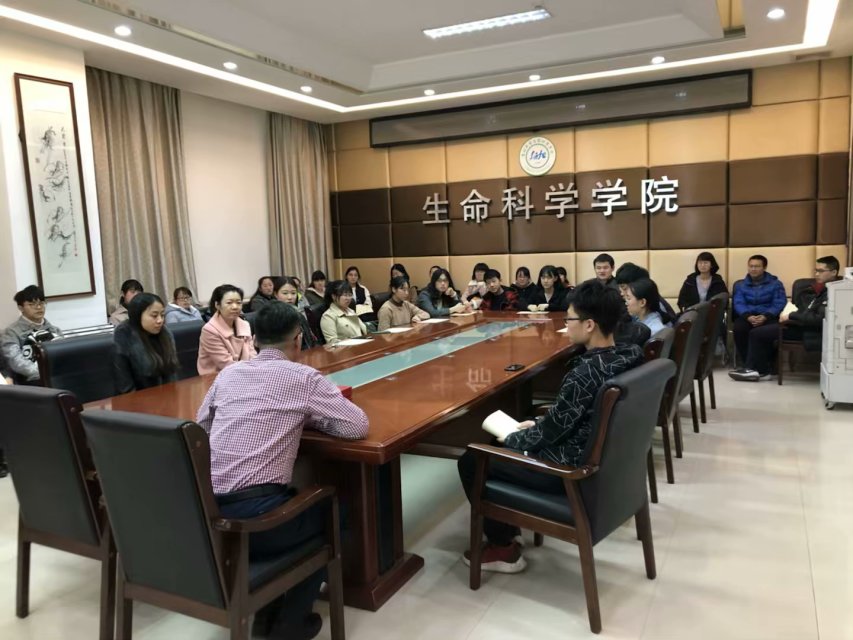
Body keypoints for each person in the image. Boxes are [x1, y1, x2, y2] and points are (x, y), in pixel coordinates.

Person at [196, 302, 368, 640]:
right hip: (259, 522)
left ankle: (267, 610)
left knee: (295, 502)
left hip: (208, 517)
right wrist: (309, 417)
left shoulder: (228, 374)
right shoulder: (302, 377)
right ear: (298, 339)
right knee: (335, 513)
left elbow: (201, 429)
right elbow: (357, 426)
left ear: (255, 340)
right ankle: (291, 623)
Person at [457, 280, 644, 573]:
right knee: (499, 446)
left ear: (590, 325)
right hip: (606, 464)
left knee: (473, 459)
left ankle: (503, 549)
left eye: (570, 319)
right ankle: (508, 528)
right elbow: (572, 417)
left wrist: (513, 437)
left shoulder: (584, 374)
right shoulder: (629, 356)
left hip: (568, 470)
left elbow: (550, 434)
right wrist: (539, 422)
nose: (566, 325)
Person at [730, 256, 840, 382]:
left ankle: (758, 370)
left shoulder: (835, 292)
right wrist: (748, 315)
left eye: (820, 271)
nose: (816, 274)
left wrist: (787, 315)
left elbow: (817, 318)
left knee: (758, 333)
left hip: (806, 328)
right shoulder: (816, 289)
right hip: (796, 322)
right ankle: (753, 368)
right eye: (816, 270)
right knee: (744, 328)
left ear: (833, 272)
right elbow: (738, 303)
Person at [729, 254, 787, 372]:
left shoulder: (775, 284)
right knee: (739, 328)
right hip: (747, 316)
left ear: (764, 268)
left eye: (757, 266)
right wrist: (748, 316)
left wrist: (766, 316)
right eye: (751, 266)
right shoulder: (740, 285)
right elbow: (738, 303)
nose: (753, 269)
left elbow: (779, 302)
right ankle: (747, 364)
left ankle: (766, 364)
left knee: (766, 332)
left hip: (768, 316)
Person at [113, 293, 179, 394]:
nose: (160, 320)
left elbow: (172, 375)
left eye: (162, 315)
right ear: (138, 315)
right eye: (154, 316)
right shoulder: (124, 336)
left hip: (166, 397)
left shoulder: (165, 333)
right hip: (135, 400)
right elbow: (125, 387)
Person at [1, 285, 63, 383]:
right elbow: (16, 361)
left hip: (60, 376)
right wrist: (45, 373)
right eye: (32, 304)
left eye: (41, 303)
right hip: (32, 381)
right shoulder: (11, 333)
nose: (39, 307)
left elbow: (65, 354)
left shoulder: (55, 330)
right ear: (21, 308)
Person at [198, 284, 256, 375]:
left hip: (244, 374)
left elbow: (252, 354)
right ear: (217, 305)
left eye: (238, 303)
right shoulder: (209, 330)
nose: (235, 307)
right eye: (229, 303)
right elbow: (225, 364)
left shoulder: (245, 324)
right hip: (216, 377)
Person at [273, 277, 317, 350]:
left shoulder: (298, 315)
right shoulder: (271, 318)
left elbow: (310, 341)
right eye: (285, 293)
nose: (290, 297)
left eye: (293, 293)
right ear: (275, 294)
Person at [320, 280, 369, 345]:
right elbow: (332, 343)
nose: (348, 298)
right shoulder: (328, 316)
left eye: (350, 295)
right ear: (334, 296)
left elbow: (364, 331)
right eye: (345, 295)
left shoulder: (351, 311)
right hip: (346, 349)